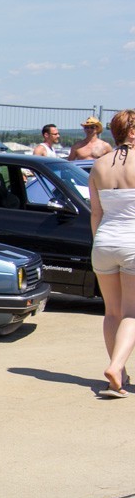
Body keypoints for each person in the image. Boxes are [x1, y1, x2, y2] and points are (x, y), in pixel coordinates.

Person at [88, 109, 135, 398]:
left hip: (104, 242)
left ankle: (118, 377)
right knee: (132, 313)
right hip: (132, 242)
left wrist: (98, 244)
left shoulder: (99, 165)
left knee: (112, 312)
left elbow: (95, 213)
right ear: (132, 131)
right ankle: (116, 367)